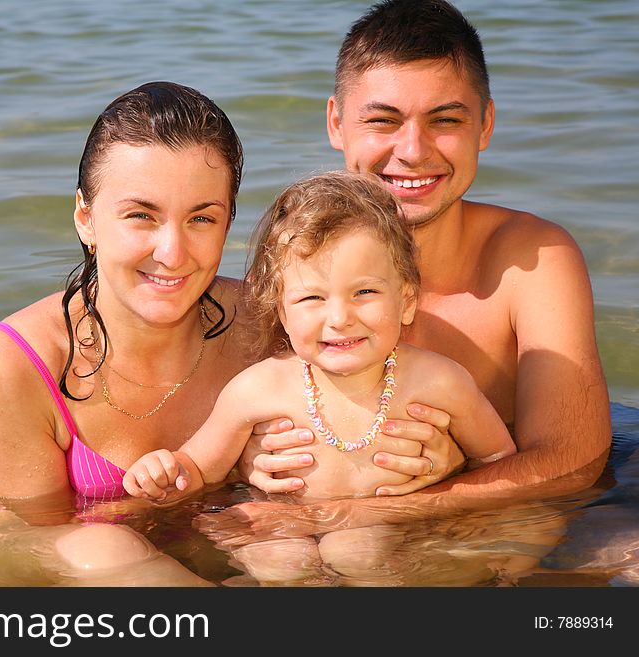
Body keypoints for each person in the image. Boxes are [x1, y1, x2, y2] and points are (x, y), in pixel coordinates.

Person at [0, 81, 437, 584]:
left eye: (201, 218)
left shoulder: (275, 322)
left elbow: (388, 414)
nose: (172, 252)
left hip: (246, 560)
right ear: (86, 218)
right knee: (103, 547)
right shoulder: (14, 363)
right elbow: (11, 541)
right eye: (141, 216)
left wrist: (429, 462)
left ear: (229, 221)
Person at [238, 0, 611, 524]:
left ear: (485, 125)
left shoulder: (532, 260)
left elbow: (574, 464)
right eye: (382, 120)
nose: (412, 150)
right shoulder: (293, 266)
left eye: (445, 120)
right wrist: (246, 461)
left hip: (482, 512)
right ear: (337, 123)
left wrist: (434, 491)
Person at [124, 171, 515, 505]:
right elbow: (198, 468)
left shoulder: (440, 383)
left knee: (360, 551)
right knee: (273, 549)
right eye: (312, 298)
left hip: (388, 529)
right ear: (282, 312)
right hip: (288, 523)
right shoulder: (258, 389)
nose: (340, 318)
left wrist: (453, 473)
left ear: (407, 301)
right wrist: (162, 473)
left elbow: (500, 458)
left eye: (364, 293)